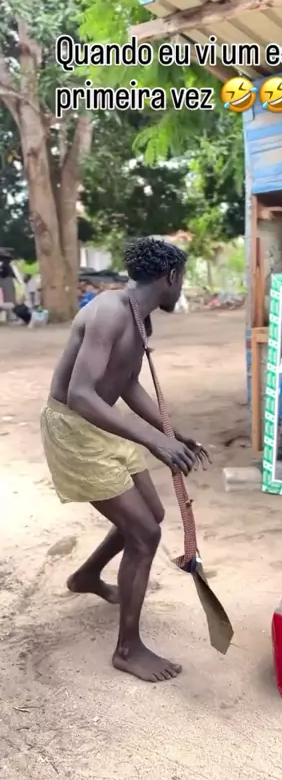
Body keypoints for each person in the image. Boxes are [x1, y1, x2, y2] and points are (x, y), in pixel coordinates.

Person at [40, 238, 210, 683]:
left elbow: (128, 384)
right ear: (171, 276)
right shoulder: (109, 312)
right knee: (145, 534)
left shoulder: (138, 316)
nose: (181, 288)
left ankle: (87, 576)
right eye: (182, 280)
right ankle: (128, 650)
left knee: (151, 514)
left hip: (103, 422)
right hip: (76, 428)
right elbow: (80, 394)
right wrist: (154, 442)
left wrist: (170, 432)